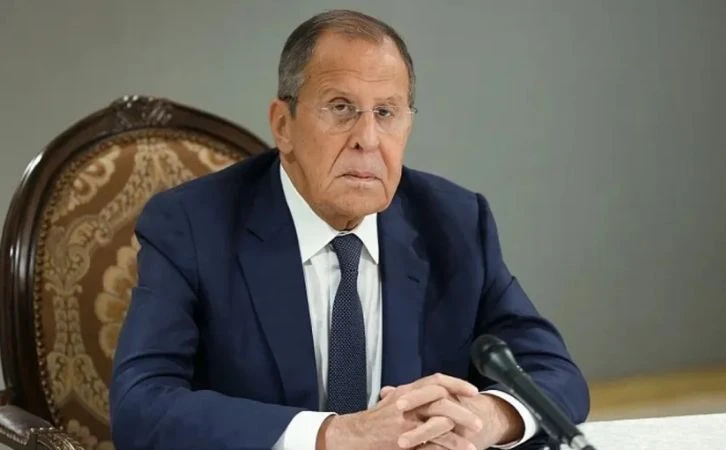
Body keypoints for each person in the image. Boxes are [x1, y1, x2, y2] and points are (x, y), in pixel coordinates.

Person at [110, 9, 589, 450]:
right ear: (283, 125)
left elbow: (554, 374)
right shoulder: (191, 225)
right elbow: (140, 406)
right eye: (340, 107)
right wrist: (334, 435)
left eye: (386, 113)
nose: (367, 139)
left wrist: (487, 417)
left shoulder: (455, 222)